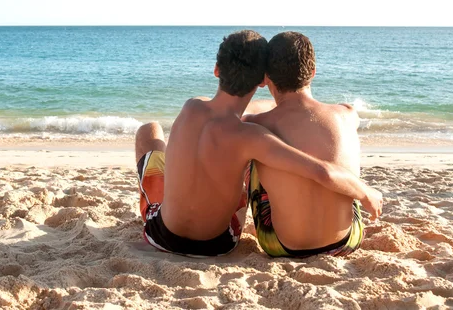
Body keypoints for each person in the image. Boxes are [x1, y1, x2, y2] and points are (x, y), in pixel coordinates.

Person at [135, 30, 382, 257]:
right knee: (254, 157)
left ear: (216, 70)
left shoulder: (192, 107)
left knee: (150, 130)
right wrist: (365, 191)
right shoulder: (253, 135)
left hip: (164, 236)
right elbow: (322, 171)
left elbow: (228, 113)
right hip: (219, 244)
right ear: (261, 81)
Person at [245, 31, 381, 257]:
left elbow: (246, 112)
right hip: (347, 240)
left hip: (281, 246)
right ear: (313, 72)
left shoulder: (255, 124)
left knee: (252, 154)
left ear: (266, 77)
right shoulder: (347, 114)